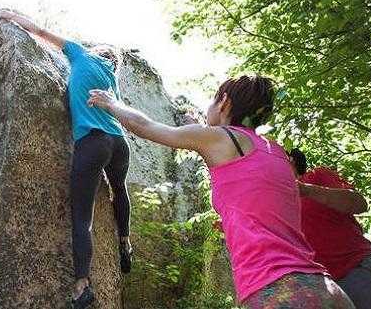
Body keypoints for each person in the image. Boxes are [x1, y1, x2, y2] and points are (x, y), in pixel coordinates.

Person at [88, 74, 354, 308]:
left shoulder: (219, 137)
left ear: (224, 102)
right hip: (325, 289)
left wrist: (112, 103)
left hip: (277, 292)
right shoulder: (277, 153)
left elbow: (147, 127)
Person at [0, 10, 133, 309]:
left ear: (96, 51)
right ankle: (125, 241)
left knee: (82, 218)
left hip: (92, 142)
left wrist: (10, 15)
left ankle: (82, 285)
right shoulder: (112, 78)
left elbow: (41, 31)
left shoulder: (80, 53)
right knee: (119, 189)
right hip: (119, 143)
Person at [289, 148, 371, 309]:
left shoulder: (317, 175)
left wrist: (307, 190)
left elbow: (359, 203)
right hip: (322, 290)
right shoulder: (275, 201)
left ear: (291, 160)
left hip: (357, 270)